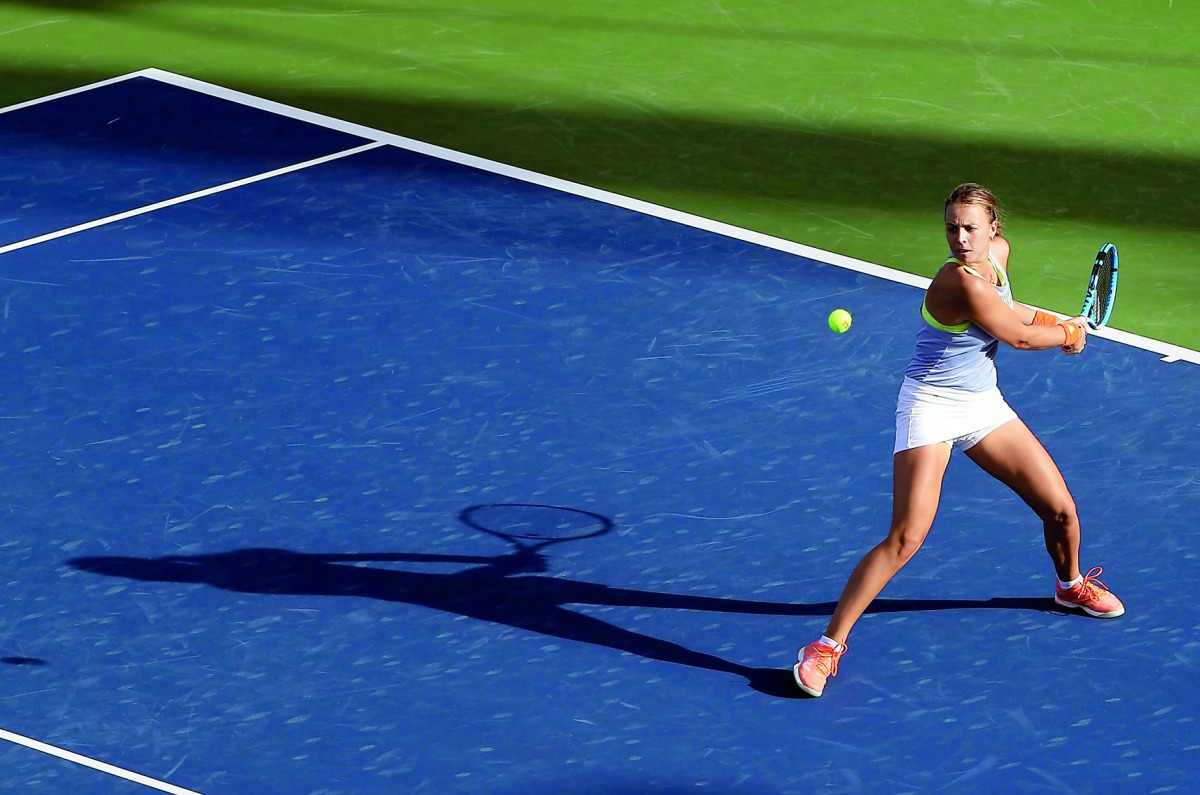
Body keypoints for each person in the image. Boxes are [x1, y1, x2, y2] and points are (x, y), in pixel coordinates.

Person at [794, 183, 1124, 698]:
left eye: (971, 227)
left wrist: (1054, 321)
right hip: (930, 407)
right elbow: (1016, 336)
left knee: (1061, 510)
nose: (961, 238)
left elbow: (1012, 310)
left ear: (994, 228)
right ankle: (826, 646)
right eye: (952, 228)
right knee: (906, 536)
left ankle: (1070, 586)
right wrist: (1066, 334)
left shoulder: (999, 256)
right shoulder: (958, 281)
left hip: (981, 404)